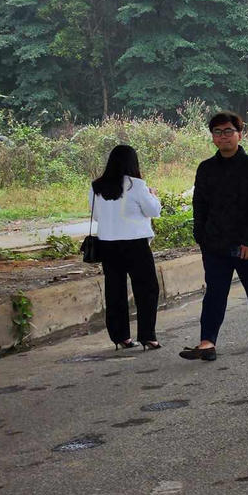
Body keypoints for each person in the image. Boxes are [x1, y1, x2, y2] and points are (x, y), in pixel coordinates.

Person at [180, 112, 248, 361]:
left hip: (246, 245)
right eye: (218, 132)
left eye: (228, 131)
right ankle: (207, 342)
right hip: (215, 244)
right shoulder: (206, 168)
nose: (223, 137)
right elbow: (199, 205)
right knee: (215, 293)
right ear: (212, 137)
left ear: (240, 134)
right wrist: (201, 235)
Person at [90, 145, 161, 351]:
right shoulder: (136, 185)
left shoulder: (96, 186)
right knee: (147, 289)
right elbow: (153, 210)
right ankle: (148, 337)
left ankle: (121, 338)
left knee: (115, 290)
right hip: (135, 244)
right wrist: (153, 195)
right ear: (133, 163)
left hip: (107, 244)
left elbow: (96, 215)